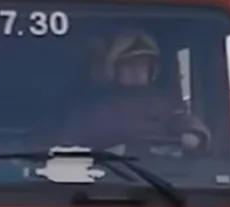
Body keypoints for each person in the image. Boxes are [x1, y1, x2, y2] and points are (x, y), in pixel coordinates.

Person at [59, 30, 211, 153]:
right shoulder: (92, 106)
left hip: (157, 174)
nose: (136, 71)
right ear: (113, 69)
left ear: (152, 71)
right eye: (128, 65)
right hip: (106, 173)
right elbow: (70, 142)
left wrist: (195, 135)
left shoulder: (163, 102)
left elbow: (183, 119)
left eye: (142, 65)